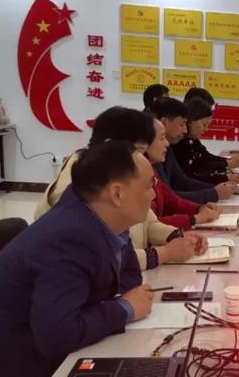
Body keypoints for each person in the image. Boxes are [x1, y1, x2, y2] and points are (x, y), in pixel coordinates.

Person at [0, 141, 157, 377]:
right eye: (148, 186)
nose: (153, 195)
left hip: (43, 357)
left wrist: (122, 303)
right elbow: (58, 335)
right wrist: (124, 308)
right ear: (117, 193)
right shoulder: (69, 236)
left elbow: (129, 280)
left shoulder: (98, 216)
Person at [35, 106, 207, 270]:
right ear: (110, 145)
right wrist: (165, 253)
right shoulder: (80, 187)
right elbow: (105, 258)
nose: (141, 158)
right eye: (137, 150)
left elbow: (148, 222)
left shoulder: (116, 172)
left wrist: (176, 236)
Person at [151, 97, 238, 204]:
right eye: (182, 124)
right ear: (164, 122)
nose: (185, 130)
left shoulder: (168, 146)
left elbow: (181, 180)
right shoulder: (153, 153)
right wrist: (213, 192)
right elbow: (166, 198)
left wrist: (216, 189)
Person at [145, 115, 222, 230]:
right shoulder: (135, 175)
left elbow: (171, 200)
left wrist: (198, 209)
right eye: (161, 138)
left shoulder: (152, 169)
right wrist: (194, 218)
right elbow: (149, 226)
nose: (166, 143)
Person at [172, 96, 239, 184]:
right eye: (204, 125)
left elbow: (206, 158)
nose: (206, 129)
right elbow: (194, 174)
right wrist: (226, 168)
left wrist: (227, 163)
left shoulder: (193, 140)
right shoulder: (180, 143)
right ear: (192, 121)